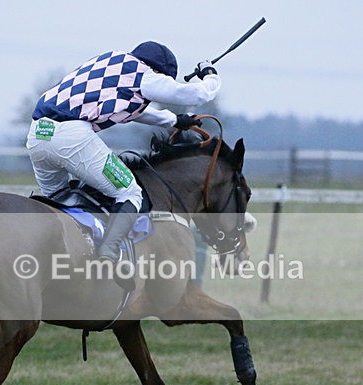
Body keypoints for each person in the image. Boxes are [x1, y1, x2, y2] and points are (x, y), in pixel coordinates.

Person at [26, 41, 221, 271]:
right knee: (130, 192)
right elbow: (197, 94)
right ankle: (108, 252)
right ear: (159, 73)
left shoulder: (113, 62)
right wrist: (210, 74)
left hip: (37, 135)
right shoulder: (147, 76)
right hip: (70, 137)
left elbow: (134, 110)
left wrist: (175, 120)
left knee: (59, 202)